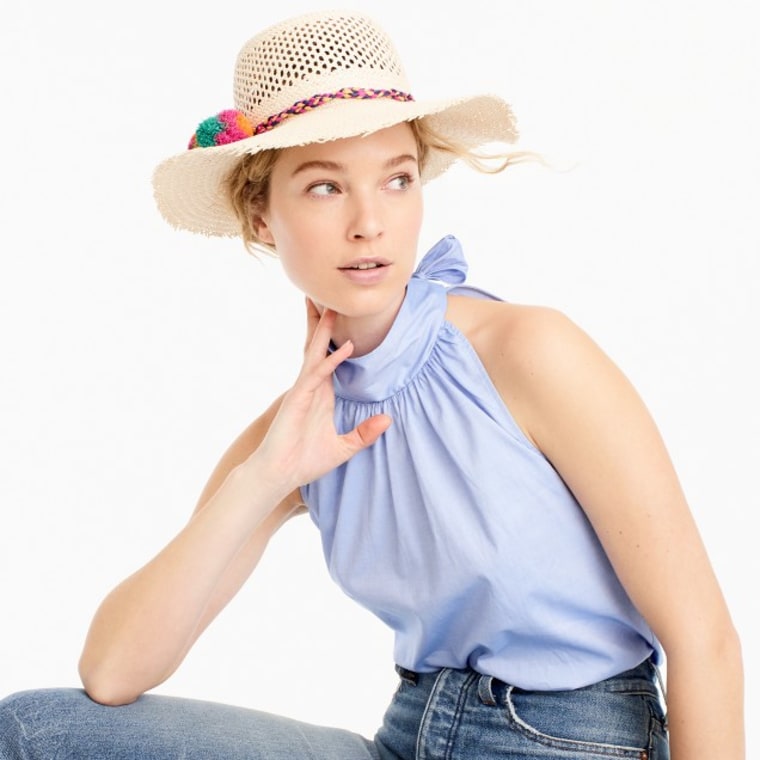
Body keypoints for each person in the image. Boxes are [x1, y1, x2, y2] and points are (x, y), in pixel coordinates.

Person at [0, 9, 744, 760]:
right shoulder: (293, 431)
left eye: (397, 180)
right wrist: (270, 476)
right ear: (262, 217)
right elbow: (113, 670)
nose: (370, 223)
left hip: (570, 739)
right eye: (325, 187)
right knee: (36, 730)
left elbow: (703, 638)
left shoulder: (529, 353)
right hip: (408, 737)